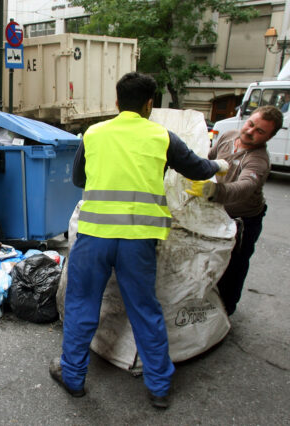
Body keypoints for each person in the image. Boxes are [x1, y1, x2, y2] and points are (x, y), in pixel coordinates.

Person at [52, 72, 229, 410]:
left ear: (117, 102)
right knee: (145, 310)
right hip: (139, 241)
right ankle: (159, 387)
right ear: (150, 104)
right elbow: (198, 169)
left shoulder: (94, 133)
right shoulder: (162, 137)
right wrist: (219, 164)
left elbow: (78, 179)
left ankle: (73, 378)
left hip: (94, 237)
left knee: (82, 305)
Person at [186, 105, 282, 316]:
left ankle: (226, 310)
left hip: (243, 220)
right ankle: (206, 303)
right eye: (251, 124)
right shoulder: (229, 136)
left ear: (269, 137)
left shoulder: (258, 160)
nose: (250, 132)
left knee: (234, 266)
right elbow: (207, 160)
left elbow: (245, 187)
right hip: (218, 212)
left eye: (260, 131)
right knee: (210, 259)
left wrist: (214, 190)